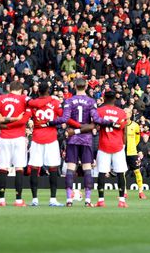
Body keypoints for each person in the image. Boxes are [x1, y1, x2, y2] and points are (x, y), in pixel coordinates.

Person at [51, 77, 107, 207]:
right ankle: (87, 200)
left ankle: (69, 200)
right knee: (87, 168)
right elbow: (96, 119)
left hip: (73, 138)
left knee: (71, 168)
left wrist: (51, 122)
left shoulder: (69, 100)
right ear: (86, 87)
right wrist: (107, 122)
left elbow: (64, 118)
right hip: (86, 138)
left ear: (75, 87)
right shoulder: (91, 101)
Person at [0, 80, 32, 206]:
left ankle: (1, 200)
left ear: (9, 88)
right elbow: (23, 121)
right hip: (18, 138)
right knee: (19, 168)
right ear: (21, 90)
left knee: (3, 168)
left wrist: (2, 124)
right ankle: (18, 200)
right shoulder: (23, 99)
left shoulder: (0, 98)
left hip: (4, 138)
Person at [27, 82, 64, 207]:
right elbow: (62, 115)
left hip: (37, 137)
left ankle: (34, 199)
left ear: (38, 91)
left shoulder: (34, 103)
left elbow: (27, 116)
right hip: (51, 138)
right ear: (48, 91)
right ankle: (52, 199)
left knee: (34, 168)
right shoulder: (54, 102)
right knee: (53, 168)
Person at [95, 91, 129, 208]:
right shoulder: (121, 112)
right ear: (115, 99)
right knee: (120, 173)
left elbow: (95, 125)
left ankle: (101, 200)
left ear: (103, 98)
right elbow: (124, 130)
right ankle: (121, 201)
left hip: (104, 144)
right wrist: (124, 145)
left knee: (102, 173)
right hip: (118, 145)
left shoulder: (99, 111)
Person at [124, 107, 146, 199]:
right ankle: (124, 192)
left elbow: (137, 139)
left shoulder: (135, 126)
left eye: (127, 112)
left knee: (137, 171)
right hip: (122, 152)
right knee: (122, 173)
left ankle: (141, 191)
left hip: (132, 152)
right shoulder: (120, 125)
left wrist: (133, 147)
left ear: (130, 114)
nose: (125, 114)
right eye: (124, 112)